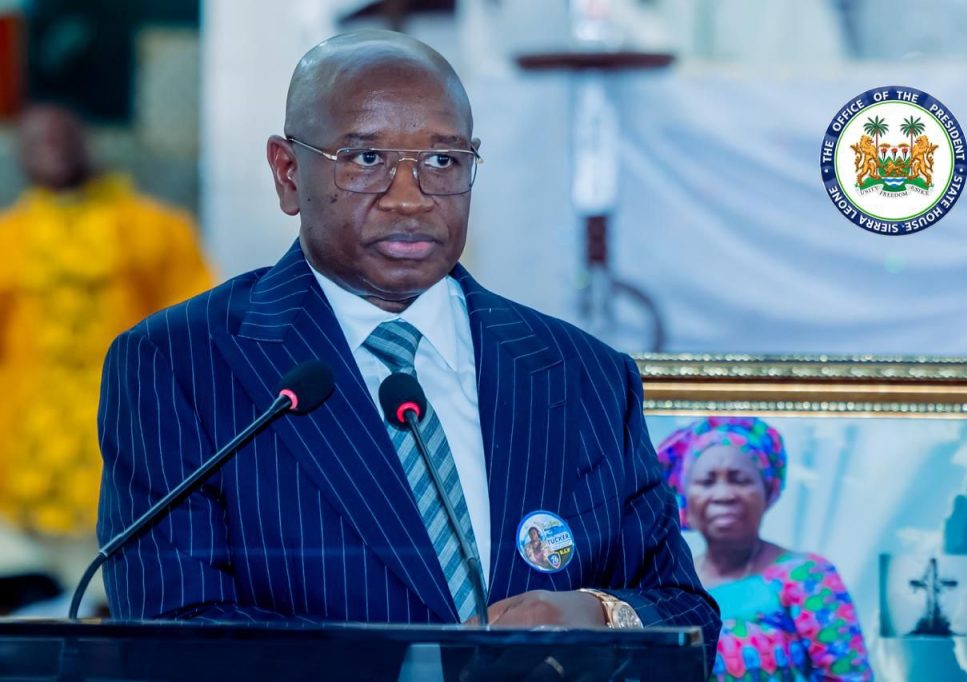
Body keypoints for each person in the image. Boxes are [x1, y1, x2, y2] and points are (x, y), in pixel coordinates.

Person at [95, 28, 719, 666]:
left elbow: (684, 609)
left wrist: (598, 614)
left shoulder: (584, 374)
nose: (410, 196)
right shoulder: (179, 363)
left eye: (442, 161)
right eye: (365, 160)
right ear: (288, 173)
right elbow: (172, 628)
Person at [0, 104, 212, 595]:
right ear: (20, 158)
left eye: (62, 137)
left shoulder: (156, 228)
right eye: (37, 142)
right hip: (22, 449)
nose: (51, 150)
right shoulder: (8, 238)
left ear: (87, 142)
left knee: (116, 596)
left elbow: (194, 333)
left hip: (123, 432)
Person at [657, 416, 873, 681]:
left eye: (740, 480)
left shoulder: (808, 577)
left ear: (768, 491)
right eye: (707, 481)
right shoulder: (675, 589)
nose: (723, 494)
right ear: (685, 498)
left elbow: (851, 676)